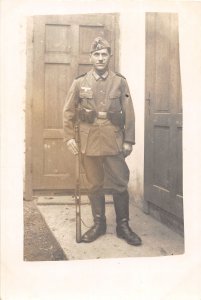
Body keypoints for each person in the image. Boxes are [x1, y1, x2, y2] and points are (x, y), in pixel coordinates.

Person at [63, 37, 142, 246]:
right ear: (91, 57)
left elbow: (129, 112)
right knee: (94, 183)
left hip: (113, 138)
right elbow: (68, 111)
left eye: (104, 54)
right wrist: (69, 136)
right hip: (88, 141)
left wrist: (129, 140)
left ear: (109, 57)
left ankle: (123, 226)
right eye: (96, 54)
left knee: (119, 183)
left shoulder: (119, 81)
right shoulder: (80, 82)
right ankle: (99, 224)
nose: (100, 58)